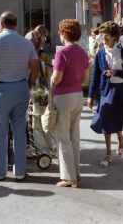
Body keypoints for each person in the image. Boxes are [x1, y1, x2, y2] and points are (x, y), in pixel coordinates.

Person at [0, 12, 39, 181]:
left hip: (1, 89)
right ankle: (20, 171)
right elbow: (35, 67)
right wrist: (29, 83)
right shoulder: (26, 43)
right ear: (15, 24)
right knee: (20, 131)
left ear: (0, 24)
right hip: (21, 86)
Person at [88, 21, 123, 167]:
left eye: (105, 35)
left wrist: (115, 72)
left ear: (114, 36)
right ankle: (108, 153)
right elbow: (95, 75)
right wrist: (90, 96)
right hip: (106, 90)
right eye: (101, 35)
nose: (102, 38)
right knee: (106, 120)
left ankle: (120, 136)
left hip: (120, 90)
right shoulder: (100, 53)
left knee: (117, 119)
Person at [52, 19, 90, 187]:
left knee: (63, 138)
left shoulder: (62, 53)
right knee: (74, 136)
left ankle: (69, 177)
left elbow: (57, 78)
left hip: (63, 97)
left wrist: (52, 77)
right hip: (77, 95)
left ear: (64, 33)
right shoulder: (82, 52)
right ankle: (76, 173)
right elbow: (86, 78)